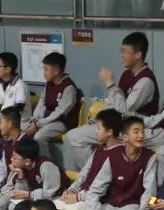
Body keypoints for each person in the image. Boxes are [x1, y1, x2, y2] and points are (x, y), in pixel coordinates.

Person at [64, 32, 158, 170]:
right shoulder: (127, 74)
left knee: (75, 137)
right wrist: (97, 120)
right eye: (121, 51)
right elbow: (113, 102)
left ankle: (95, 174)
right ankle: (97, 173)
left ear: (138, 55)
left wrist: (109, 83)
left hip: (135, 130)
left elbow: (124, 110)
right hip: (118, 125)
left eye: (125, 52)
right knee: (72, 136)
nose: (122, 55)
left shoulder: (146, 81)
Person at [21, 52, 81, 156]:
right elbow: (42, 103)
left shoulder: (69, 88)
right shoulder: (49, 84)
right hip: (46, 120)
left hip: (62, 122)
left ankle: (45, 163)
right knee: (23, 128)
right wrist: (34, 119)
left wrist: (38, 124)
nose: (44, 73)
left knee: (39, 136)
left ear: (56, 71)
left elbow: (60, 113)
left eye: (46, 69)